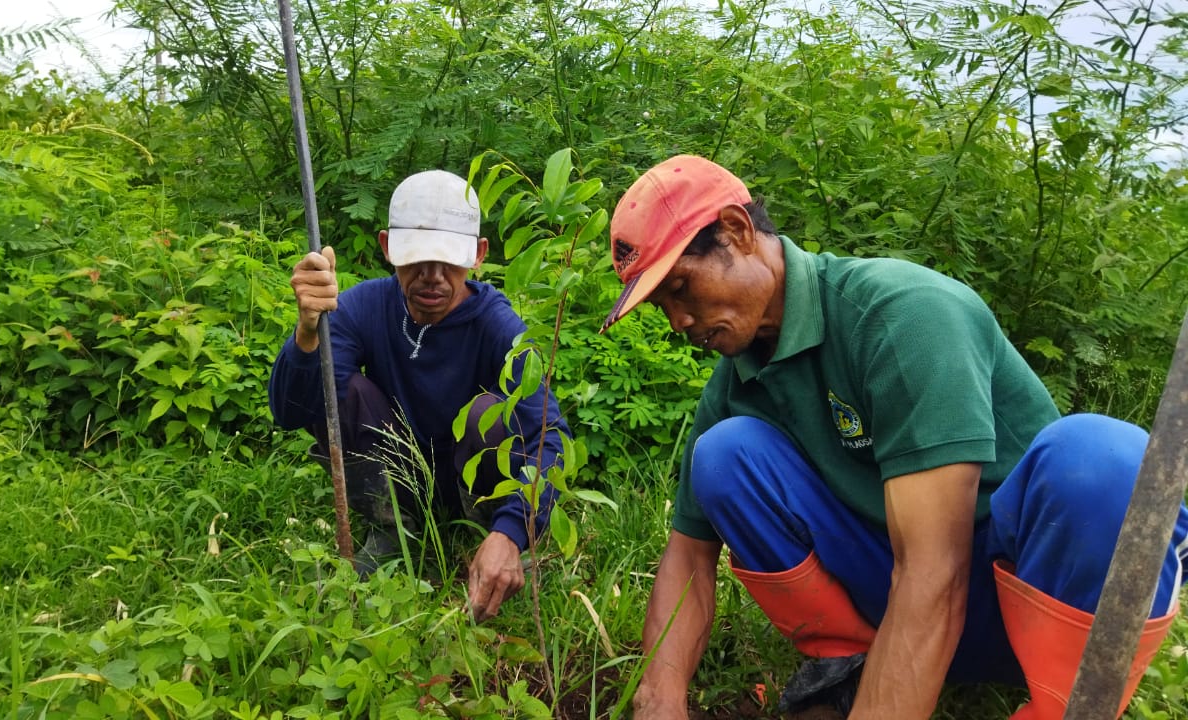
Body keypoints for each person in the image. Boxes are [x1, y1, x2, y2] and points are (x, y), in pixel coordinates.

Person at [601, 154, 1187, 719]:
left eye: (681, 287)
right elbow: (689, 554)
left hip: (1019, 602)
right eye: (662, 305)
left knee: (1104, 459)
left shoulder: (902, 315)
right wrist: (659, 700)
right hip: (900, 603)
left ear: (737, 231)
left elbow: (937, 567)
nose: (678, 321)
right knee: (724, 455)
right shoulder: (738, 379)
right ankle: (850, 671)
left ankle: (1063, 707)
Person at [269, 169, 569, 622]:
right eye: (416, 259)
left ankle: (486, 534)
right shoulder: (364, 307)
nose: (432, 277)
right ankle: (395, 526)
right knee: (339, 387)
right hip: (400, 469)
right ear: (388, 247)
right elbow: (293, 412)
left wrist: (512, 530)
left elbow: (550, 438)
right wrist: (307, 335)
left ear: (478, 255)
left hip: (474, 477)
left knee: (488, 413)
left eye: (448, 261)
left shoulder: (497, 327)